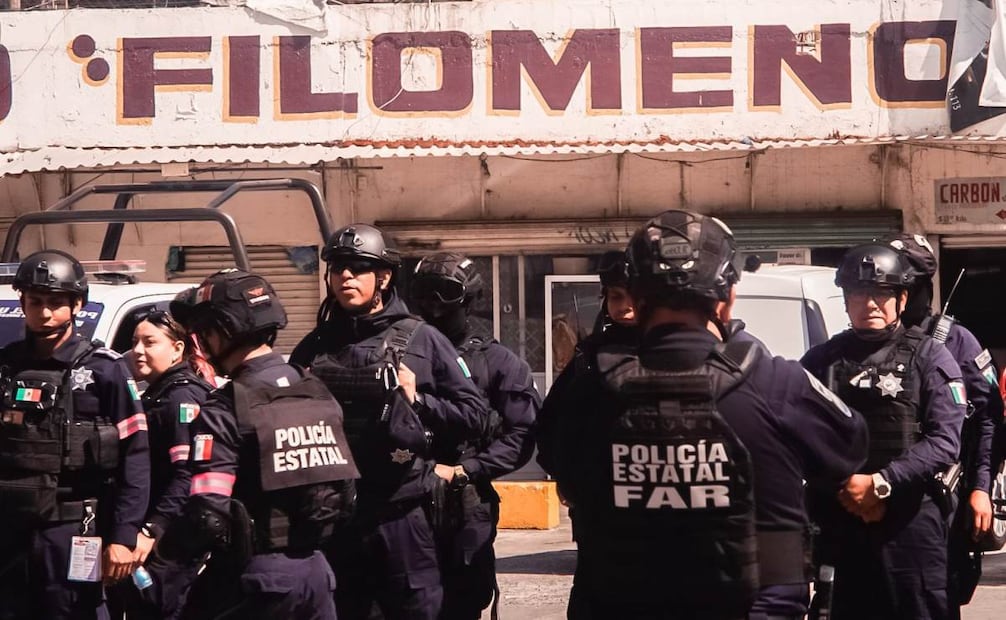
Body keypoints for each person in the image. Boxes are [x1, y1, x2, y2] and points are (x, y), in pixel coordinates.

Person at [539, 211, 869, 619]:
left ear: (637, 300)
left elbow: (562, 470)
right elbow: (850, 448)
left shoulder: (593, 385)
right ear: (727, 298)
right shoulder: (773, 380)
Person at [290, 224, 488, 620]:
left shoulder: (421, 339)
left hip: (401, 513)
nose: (346, 276)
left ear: (383, 276)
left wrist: (418, 399)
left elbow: (476, 416)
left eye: (359, 267)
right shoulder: (314, 345)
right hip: (334, 516)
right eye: (339, 267)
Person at [159, 269, 358, 620]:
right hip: (318, 576)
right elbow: (345, 492)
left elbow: (208, 515)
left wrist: (161, 567)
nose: (201, 344)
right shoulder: (314, 389)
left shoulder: (227, 405)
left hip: (256, 581)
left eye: (204, 333)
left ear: (223, 331)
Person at [801, 242, 967, 620]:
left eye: (880, 293)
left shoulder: (930, 356)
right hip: (840, 522)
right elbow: (795, 436)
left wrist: (880, 482)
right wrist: (845, 487)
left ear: (902, 298)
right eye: (859, 294)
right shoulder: (821, 361)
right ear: (844, 301)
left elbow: (945, 441)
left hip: (910, 524)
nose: (870, 303)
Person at [0, 249, 150, 619]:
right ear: (23, 302)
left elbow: (136, 455)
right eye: (35, 302)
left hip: (74, 528)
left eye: (55, 302)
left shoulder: (104, 370)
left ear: (77, 304)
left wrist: (123, 535)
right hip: (10, 530)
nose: (45, 312)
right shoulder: (6, 366)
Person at [409, 252, 540, 620]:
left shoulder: (499, 362)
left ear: (468, 299)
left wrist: (467, 469)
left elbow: (522, 434)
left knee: (461, 602)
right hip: (402, 500)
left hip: (461, 502)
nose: (433, 305)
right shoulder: (398, 352)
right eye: (425, 293)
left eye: (444, 293)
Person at [885, 233, 1002, 615]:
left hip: (938, 500)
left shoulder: (956, 341)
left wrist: (981, 487)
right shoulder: (862, 344)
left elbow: (988, 419)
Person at [108, 310, 214, 620]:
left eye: (150, 342)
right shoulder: (156, 394)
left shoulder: (181, 398)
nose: (138, 351)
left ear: (178, 348)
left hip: (170, 543)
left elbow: (188, 475)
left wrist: (151, 529)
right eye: (134, 342)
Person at [536, 250, 638, 488]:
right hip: (598, 499)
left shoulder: (665, 351)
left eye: (632, 298)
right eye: (616, 297)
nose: (625, 307)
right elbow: (551, 422)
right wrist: (567, 480)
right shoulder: (590, 356)